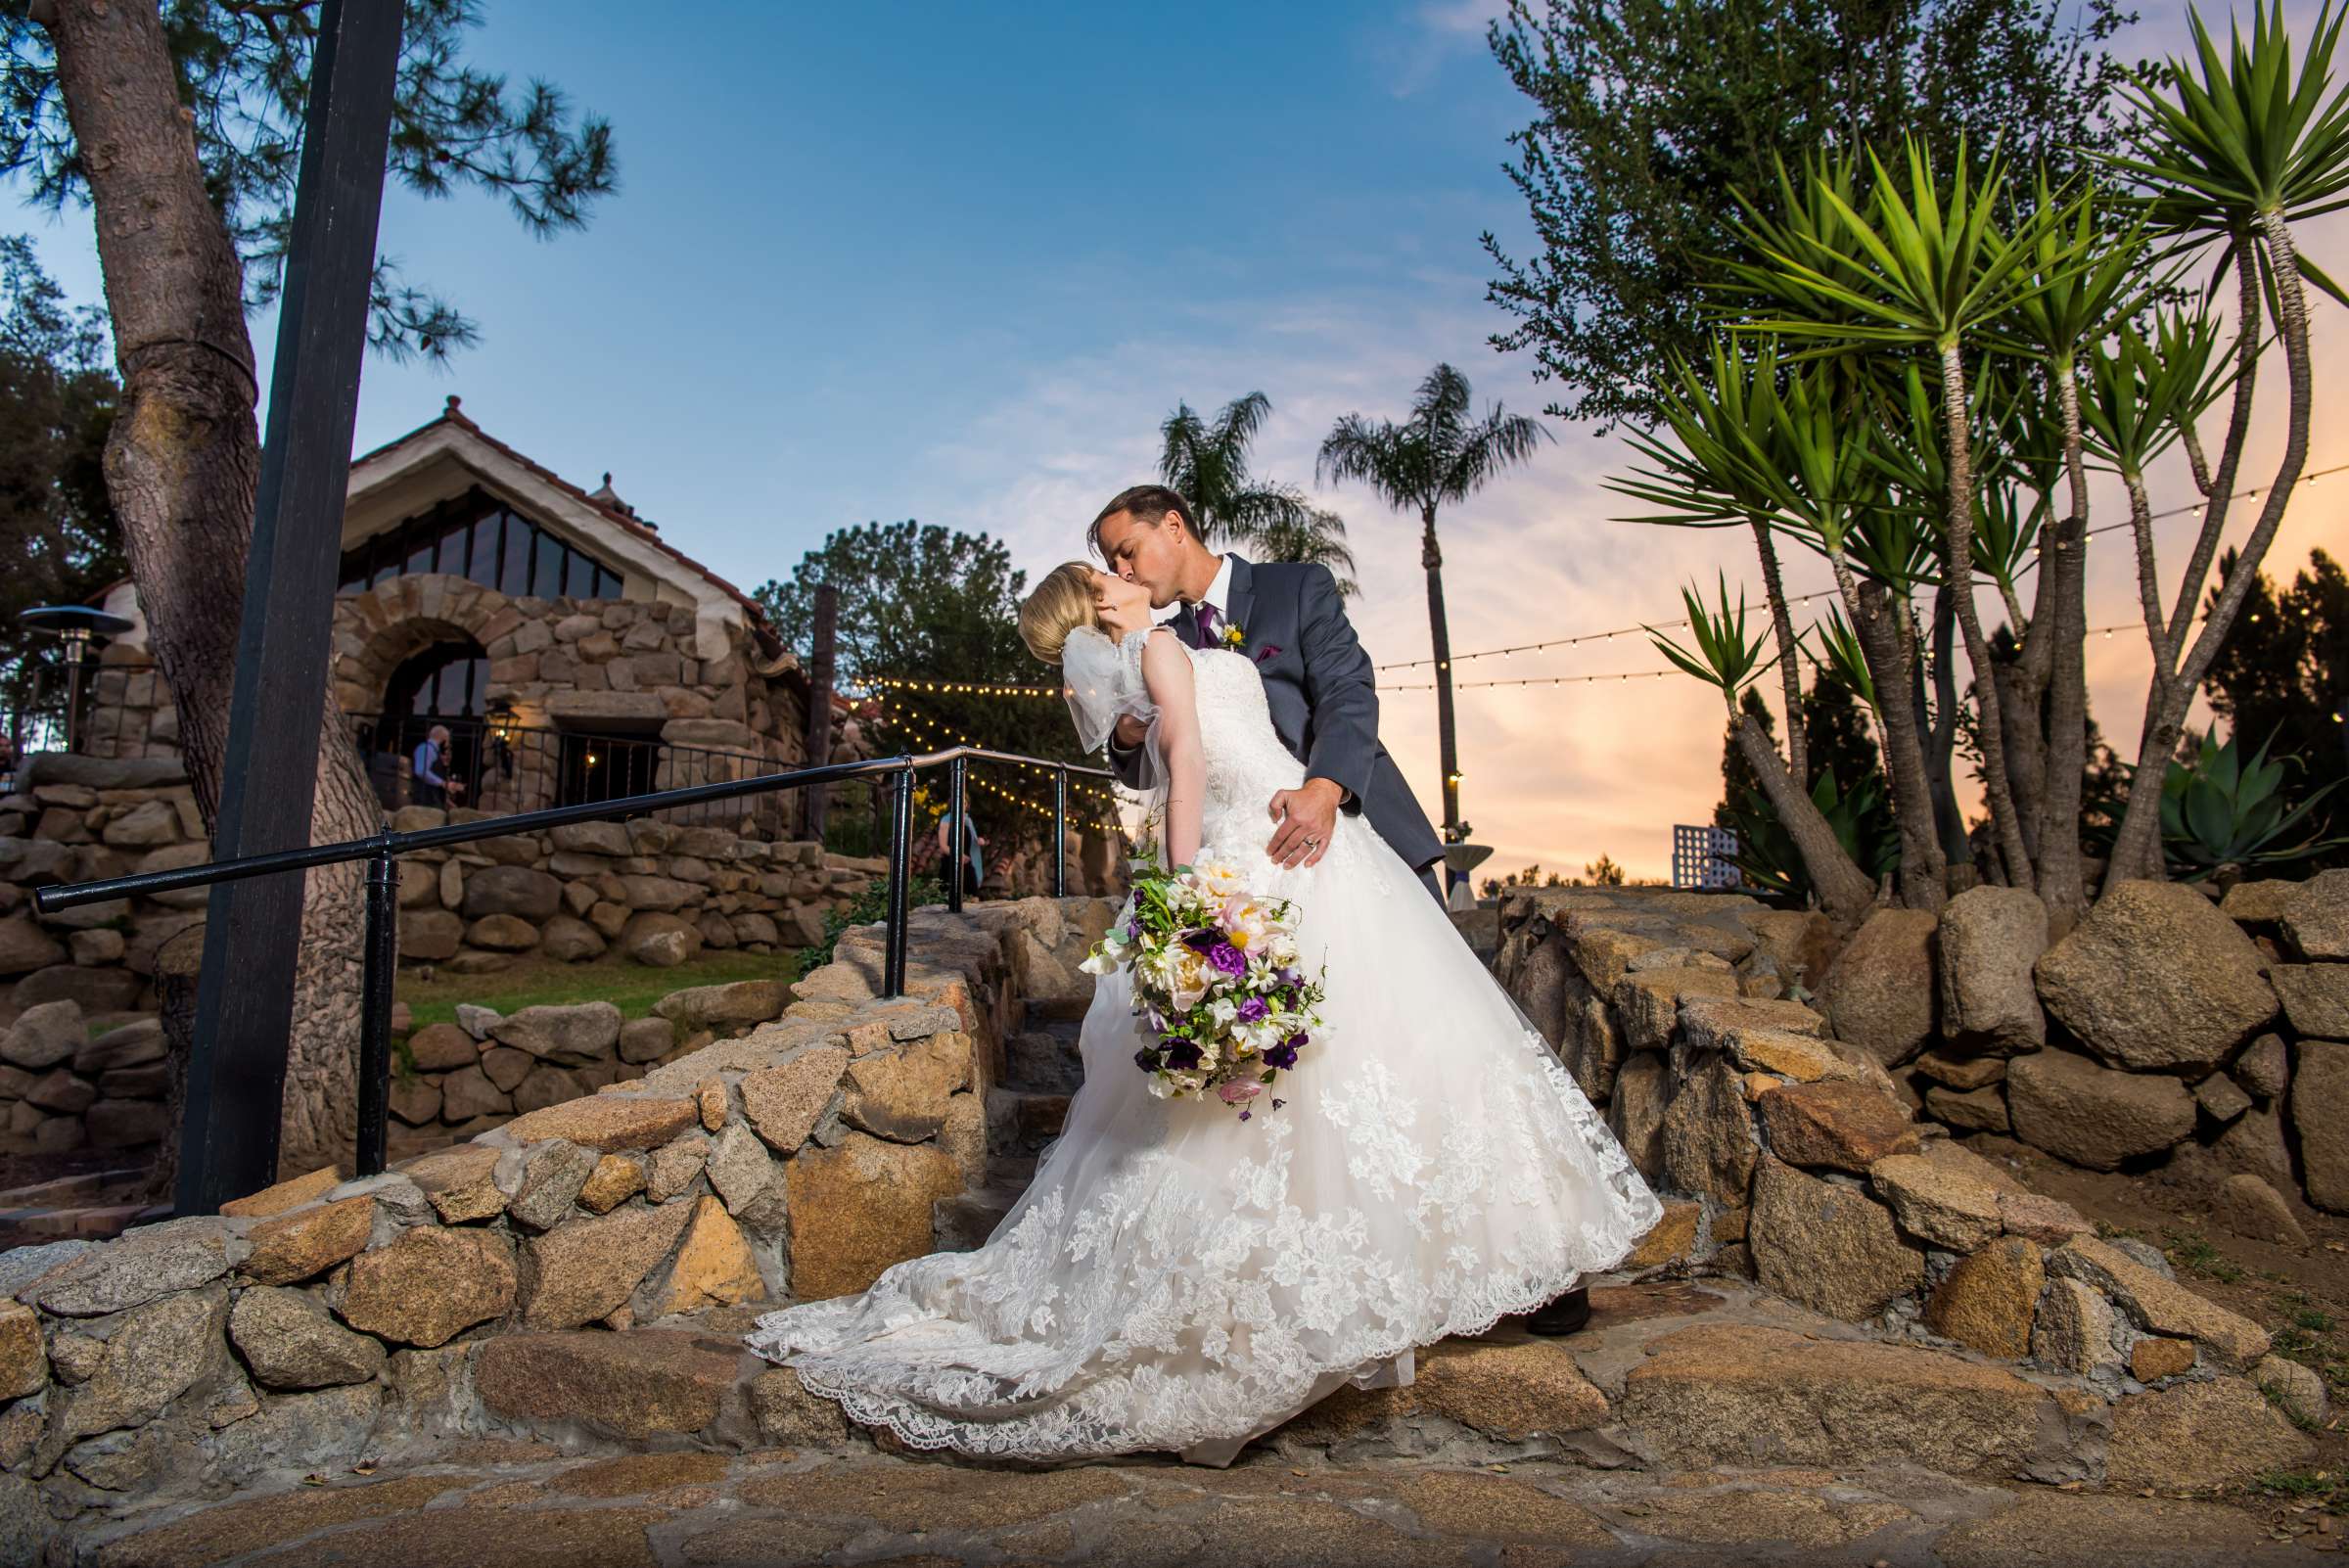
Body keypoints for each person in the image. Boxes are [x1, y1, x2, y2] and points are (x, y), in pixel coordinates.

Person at [744, 546, 1661, 1468]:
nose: (1114, 567)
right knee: (1298, 1070)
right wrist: (1184, 891)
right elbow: (1172, 761)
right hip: (1245, 854)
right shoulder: (1153, 647)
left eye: (1121, 551)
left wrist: (1312, 792)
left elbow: (1336, 697)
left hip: (1313, 831)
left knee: (1405, 1046)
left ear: (1168, 528)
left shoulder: (1263, 601)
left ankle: (1509, 1264)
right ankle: (1321, 1284)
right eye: (1101, 567)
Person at [935, 808, 987, 899]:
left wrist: (979, 840)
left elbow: (973, 841)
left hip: (967, 864)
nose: (964, 805)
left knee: (973, 899)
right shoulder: (946, 820)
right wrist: (958, 855)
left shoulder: (968, 821)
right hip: (950, 864)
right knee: (948, 900)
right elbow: (943, 846)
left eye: (966, 803)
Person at [410, 723, 463, 808]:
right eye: (448, 741)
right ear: (444, 739)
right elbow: (420, 771)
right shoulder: (426, 748)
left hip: (432, 800)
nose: (448, 745)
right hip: (424, 800)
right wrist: (444, 783)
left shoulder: (434, 752)